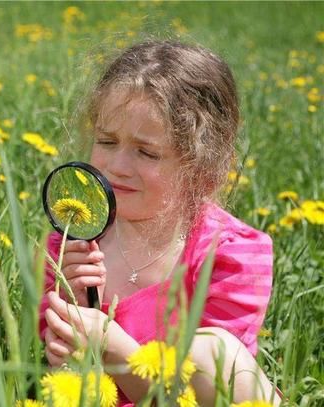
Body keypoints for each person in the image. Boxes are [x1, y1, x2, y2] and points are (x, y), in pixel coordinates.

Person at [39, 40, 280, 405]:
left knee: (215, 353)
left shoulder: (231, 255)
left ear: (201, 169)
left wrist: (109, 343)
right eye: (106, 141)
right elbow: (62, 380)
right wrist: (70, 317)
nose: (117, 166)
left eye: (146, 152)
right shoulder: (73, 244)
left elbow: (212, 389)